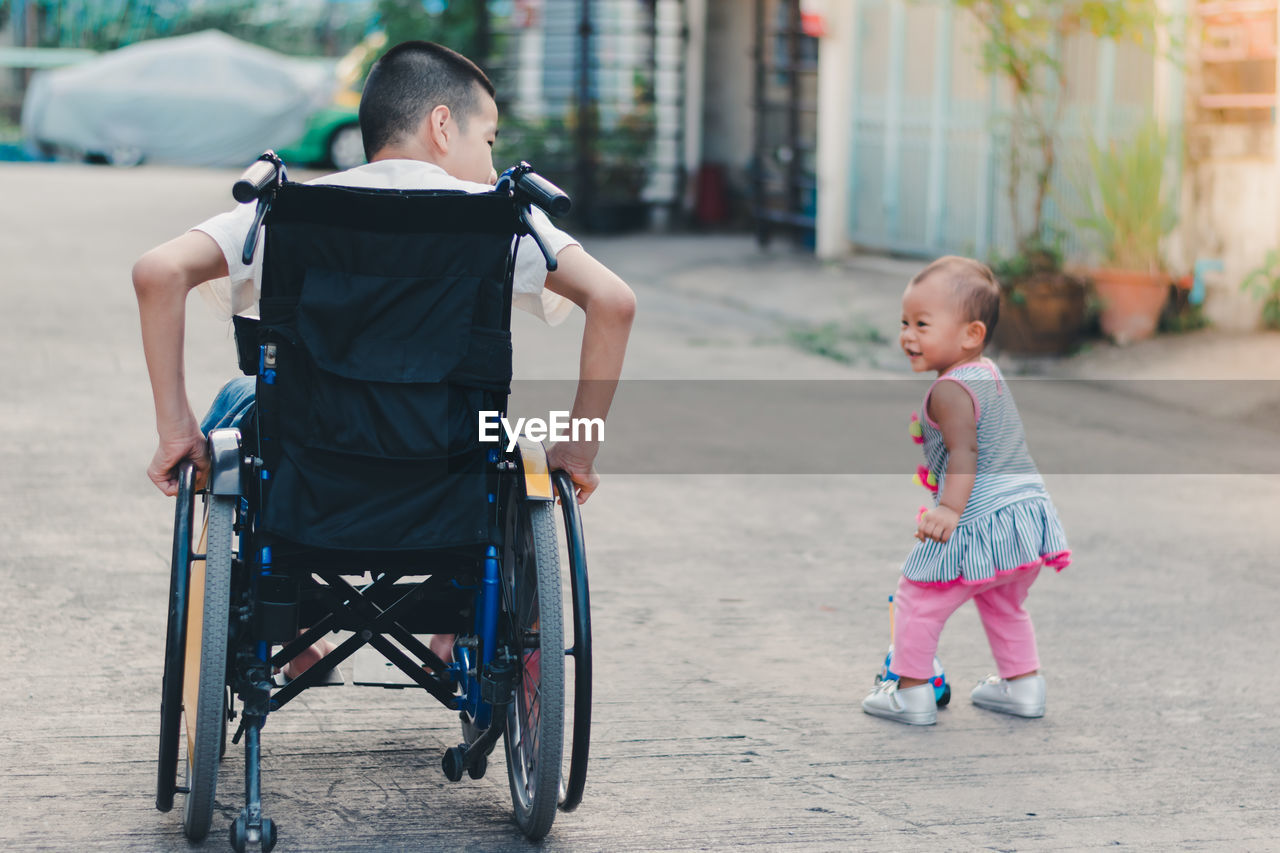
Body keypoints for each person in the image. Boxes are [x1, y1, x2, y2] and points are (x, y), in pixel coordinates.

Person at [132, 41, 636, 678]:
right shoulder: (498, 221)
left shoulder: (287, 208)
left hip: (310, 465)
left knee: (243, 397)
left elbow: (156, 273)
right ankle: (460, 630)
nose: (492, 163)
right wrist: (578, 450)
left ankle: (297, 624)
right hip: (446, 460)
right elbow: (614, 303)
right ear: (443, 125)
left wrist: (177, 429)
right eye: (489, 139)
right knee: (507, 437)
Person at [861, 256, 1069, 726]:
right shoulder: (987, 372)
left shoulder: (948, 391)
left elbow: (966, 451)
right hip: (1024, 516)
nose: (908, 336)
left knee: (918, 594)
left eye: (922, 324)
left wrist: (951, 510)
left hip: (977, 519)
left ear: (971, 334)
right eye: (904, 322)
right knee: (1002, 600)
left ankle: (911, 692)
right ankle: (1022, 686)